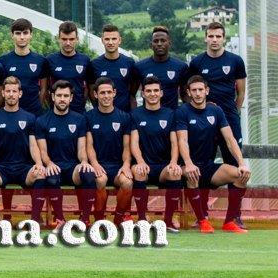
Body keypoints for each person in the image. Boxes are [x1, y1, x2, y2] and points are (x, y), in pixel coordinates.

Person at [175, 74, 251, 233]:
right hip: (186, 166)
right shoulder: (182, 112)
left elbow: (230, 139)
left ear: (207, 91)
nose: (197, 93)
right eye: (194, 90)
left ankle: (229, 222)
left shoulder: (216, 110)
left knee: (240, 175)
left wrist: (242, 163)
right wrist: (188, 163)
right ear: (188, 92)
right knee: (192, 174)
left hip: (208, 166)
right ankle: (202, 221)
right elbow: (182, 140)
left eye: (200, 90)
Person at [0, 76, 46, 222]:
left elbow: (33, 144)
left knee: (40, 174)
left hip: (23, 168)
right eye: (8, 91)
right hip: (1, 168)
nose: (11, 94)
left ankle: (35, 220)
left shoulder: (30, 118)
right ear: (2, 93)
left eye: (14, 91)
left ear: (20, 94)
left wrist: (39, 163)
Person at [35, 80, 94, 228]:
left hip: (72, 167)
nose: (62, 99)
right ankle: (60, 219)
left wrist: (84, 162)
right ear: (53, 97)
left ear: (71, 98)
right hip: (53, 165)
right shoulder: (42, 120)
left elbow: (81, 148)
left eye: (66, 95)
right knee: (52, 178)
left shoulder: (80, 119)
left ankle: (85, 219)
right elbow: (42, 150)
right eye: (59, 95)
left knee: (88, 174)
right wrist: (48, 163)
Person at [188, 22, 247, 167]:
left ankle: (235, 190)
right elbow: (190, 90)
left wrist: (234, 111)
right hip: (204, 119)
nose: (214, 40)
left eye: (218, 36)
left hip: (229, 117)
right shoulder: (196, 63)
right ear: (205, 38)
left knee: (234, 163)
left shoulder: (236, 61)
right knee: (202, 163)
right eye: (211, 36)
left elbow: (241, 92)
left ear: (224, 39)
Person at [129, 76, 184, 230]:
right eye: (148, 91)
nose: (152, 94)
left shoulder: (170, 114)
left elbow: (175, 142)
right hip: (144, 164)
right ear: (143, 94)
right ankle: (142, 219)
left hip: (163, 167)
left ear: (161, 93)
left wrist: (173, 162)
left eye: (155, 90)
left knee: (175, 173)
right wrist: (140, 161)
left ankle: (167, 220)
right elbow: (134, 142)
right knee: (139, 172)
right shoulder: (135, 114)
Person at [85, 77, 134, 223]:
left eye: (108, 92)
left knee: (128, 183)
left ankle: (119, 218)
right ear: (95, 95)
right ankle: (100, 218)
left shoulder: (124, 117)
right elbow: (89, 145)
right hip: (99, 165)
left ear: (114, 93)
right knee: (100, 181)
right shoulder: (88, 117)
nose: (106, 96)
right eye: (102, 93)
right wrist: (94, 164)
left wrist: (126, 165)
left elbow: (127, 147)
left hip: (118, 166)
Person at [0, 18, 48, 116]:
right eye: (18, 33)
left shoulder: (41, 61)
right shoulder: (2, 61)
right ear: (12, 35)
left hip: (34, 114)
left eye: (25, 33)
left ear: (31, 35)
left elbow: (43, 89)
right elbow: (0, 91)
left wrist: (38, 106)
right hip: (10, 114)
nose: (22, 37)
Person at [134, 26, 188, 110]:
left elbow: (185, 95)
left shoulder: (181, 66)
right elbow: (131, 94)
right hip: (148, 118)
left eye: (163, 41)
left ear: (169, 43)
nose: (159, 44)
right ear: (151, 44)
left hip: (172, 117)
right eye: (156, 41)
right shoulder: (140, 67)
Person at [87, 24, 138, 112]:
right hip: (102, 116)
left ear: (119, 40)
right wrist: (98, 109)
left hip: (124, 114)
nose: (110, 42)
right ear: (102, 40)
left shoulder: (129, 63)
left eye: (114, 39)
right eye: (107, 39)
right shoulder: (94, 64)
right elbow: (91, 91)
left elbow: (132, 91)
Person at [44, 21, 92, 113]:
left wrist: (81, 103)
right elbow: (45, 89)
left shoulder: (85, 60)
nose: (68, 43)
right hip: (56, 113)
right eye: (64, 39)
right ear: (59, 39)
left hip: (79, 112)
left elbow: (88, 88)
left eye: (71, 39)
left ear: (77, 39)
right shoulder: (50, 60)